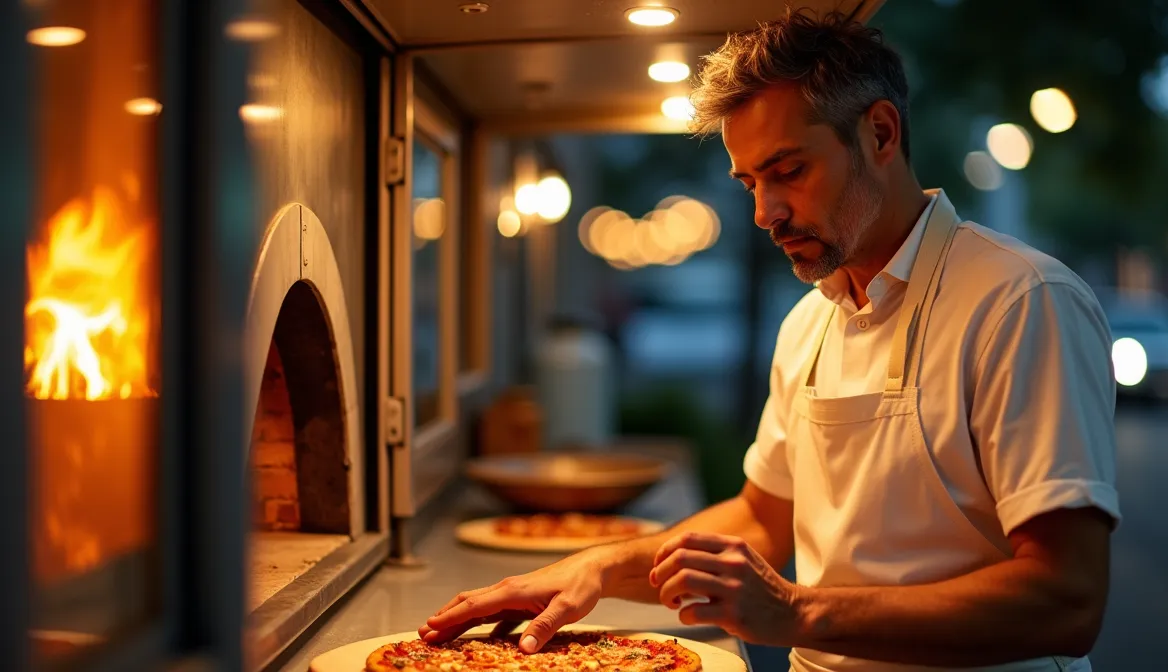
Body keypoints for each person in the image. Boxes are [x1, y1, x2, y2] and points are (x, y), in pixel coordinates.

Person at [421, 10, 1120, 672]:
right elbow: (761, 519)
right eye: (749, 181)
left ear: (881, 134)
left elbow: (1068, 598)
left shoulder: (1020, 302)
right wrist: (597, 568)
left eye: (788, 172)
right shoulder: (810, 322)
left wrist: (796, 611)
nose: (764, 212)